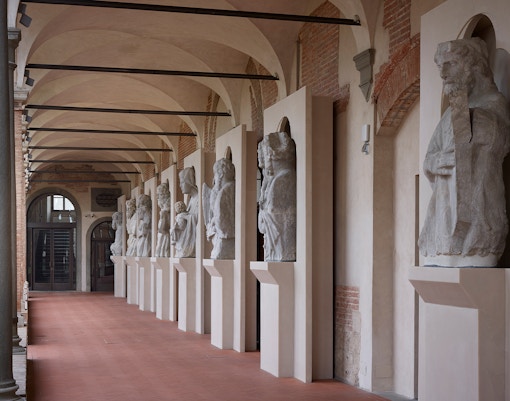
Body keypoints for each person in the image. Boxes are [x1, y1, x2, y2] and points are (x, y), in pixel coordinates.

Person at [418, 37, 510, 267]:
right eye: (441, 67)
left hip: (480, 215)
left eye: (450, 64)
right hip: (444, 218)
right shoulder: (451, 112)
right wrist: (438, 160)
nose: (443, 74)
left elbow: (499, 143)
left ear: (473, 65)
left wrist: (471, 118)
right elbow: (430, 157)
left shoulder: (494, 102)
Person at [258, 131, 297, 261]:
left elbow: (272, 210)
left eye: (264, 156)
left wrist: (263, 209)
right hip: (276, 244)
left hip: (282, 241)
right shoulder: (274, 179)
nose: (262, 164)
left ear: (272, 156)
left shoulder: (283, 177)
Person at [203, 158, 236, 259]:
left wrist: (212, 224)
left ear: (220, 174)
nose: (214, 178)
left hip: (225, 238)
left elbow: (220, 218)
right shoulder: (232, 187)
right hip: (227, 238)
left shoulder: (224, 192)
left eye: (215, 174)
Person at [170, 167, 199, 258]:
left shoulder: (198, 199)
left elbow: (197, 219)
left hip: (193, 240)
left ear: (189, 181)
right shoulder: (191, 200)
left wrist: (185, 217)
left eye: (182, 182)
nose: (180, 186)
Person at [155, 183, 171, 257]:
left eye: (159, 194)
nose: (157, 197)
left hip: (164, 234)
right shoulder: (163, 209)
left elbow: (164, 227)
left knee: (162, 249)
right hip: (162, 234)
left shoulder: (166, 209)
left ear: (165, 195)